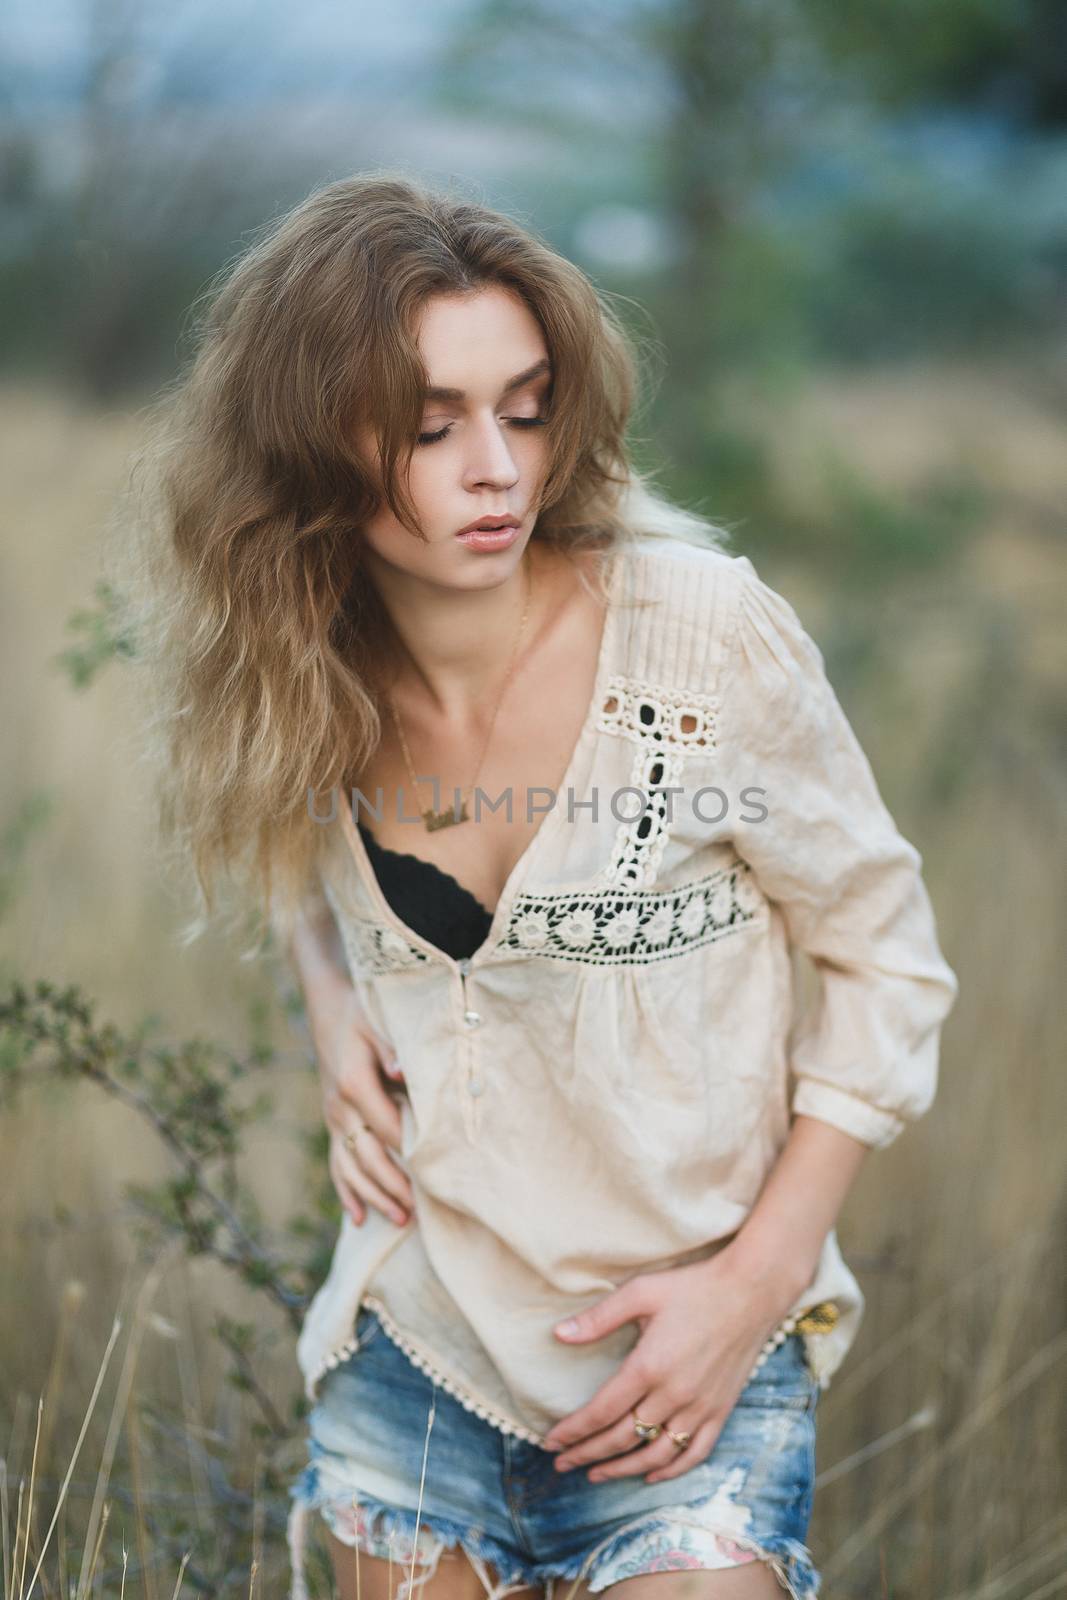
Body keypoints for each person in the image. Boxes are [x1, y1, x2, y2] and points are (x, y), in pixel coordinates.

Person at [124, 172, 958, 1600]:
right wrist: (334, 1004)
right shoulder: (299, 662)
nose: (497, 466)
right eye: (430, 426)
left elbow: (889, 963)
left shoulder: (700, 642)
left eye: (522, 407)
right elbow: (295, 857)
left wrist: (756, 1285)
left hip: (691, 1357)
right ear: (311, 449)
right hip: (419, 1348)